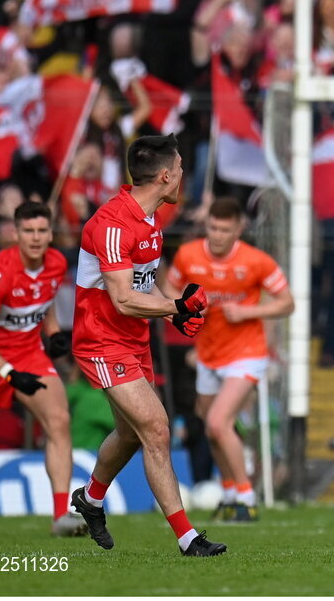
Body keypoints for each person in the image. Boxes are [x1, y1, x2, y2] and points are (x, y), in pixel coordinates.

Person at [69, 134, 226, 557]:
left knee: (131, 434)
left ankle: (91, 498)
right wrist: (173, 306)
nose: (182, 176)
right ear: (164, 175)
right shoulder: (112, 224)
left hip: (133, 337)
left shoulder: (151, 217)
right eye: (179, 169)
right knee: (156, 428)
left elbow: (144, 280)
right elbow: (121, 297)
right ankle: (188, 539)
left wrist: (177, 305)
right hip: (101, 339)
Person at [0, 202, 86, 538]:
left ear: (51, 233)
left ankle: (60, 517)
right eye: (29, 231)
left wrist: (53, 333)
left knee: (59, 421)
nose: (36, 238)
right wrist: (10, 374)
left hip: (30, 355)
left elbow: (44, 304)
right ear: (16, 233)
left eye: (42, 231)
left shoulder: (55, 264)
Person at [168, 197, 294, 522]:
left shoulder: (256, 261)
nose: (218, 235)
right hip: (209, 354)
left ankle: (247, 497)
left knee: (217, 422)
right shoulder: (188, 256)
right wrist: (186, 308)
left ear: (239, 228)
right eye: (213, 227)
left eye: (225, 229)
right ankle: (228, 493)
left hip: (247, 354)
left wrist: (250, 311)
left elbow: (287, 303)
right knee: (212, 429)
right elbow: (169, 294)